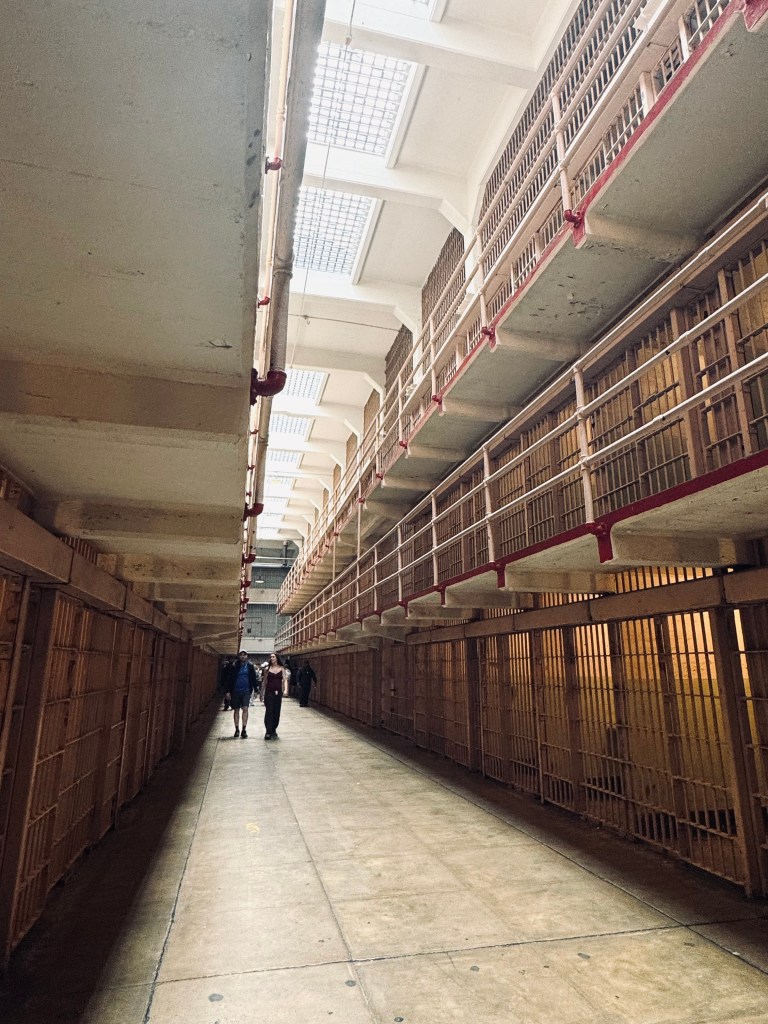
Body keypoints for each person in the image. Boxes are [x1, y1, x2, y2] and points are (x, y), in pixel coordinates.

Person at [225, 651, 257, 738]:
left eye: (244, 655)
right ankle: (237, 729)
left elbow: (253, 678)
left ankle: (244, 729)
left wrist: (256, 690)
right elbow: (229, 679)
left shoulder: (250, 666)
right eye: (241, 655)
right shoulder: (234, 666)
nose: (243, 656)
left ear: (247, 656)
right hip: (236, 691)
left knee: (245, 708)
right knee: (236, 709)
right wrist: (227, 691)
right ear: (239, 656)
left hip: (246, 691)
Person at [260, 652, 287, 739]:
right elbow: (264, 682)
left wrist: (285, 690)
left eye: (273, 657)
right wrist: (261, 693)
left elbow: (285, 680)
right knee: (269, 711)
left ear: (277, 658)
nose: (271, 658)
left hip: (278, 693)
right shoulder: (267, 669)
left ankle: (274, 729)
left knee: (276, 711)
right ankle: (268, 731)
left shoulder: (281, 668)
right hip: (269, 692)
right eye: (270, 657)